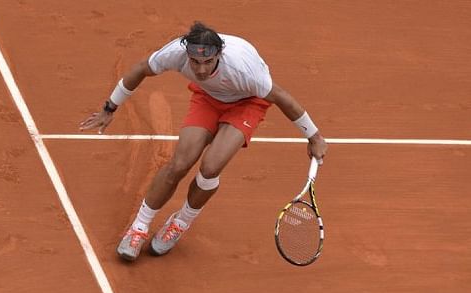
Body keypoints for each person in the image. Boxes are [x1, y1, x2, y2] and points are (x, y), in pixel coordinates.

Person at [80, 21, 328, 261]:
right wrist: (109, 108)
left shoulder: (244, 70)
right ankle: (138, 228)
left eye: (207, 62)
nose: (200, 70)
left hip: (247, 103)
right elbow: (140, 69)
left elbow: (283, 97)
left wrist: (314, 136)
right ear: (187, 53)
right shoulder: (175, 53)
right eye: (195, 62)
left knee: (210, 168)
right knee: (179, 164)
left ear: (219, 54)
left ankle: (180, 222)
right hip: (208, 98)